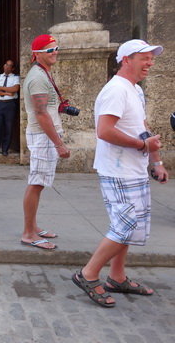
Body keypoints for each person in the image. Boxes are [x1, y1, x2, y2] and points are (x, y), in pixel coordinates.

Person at [72, 39, 168, 308]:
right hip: (118, 170)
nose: (150, 63)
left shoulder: (134, 90)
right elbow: (104, 131)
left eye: (151, 58)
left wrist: (155, 160)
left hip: (133, 168)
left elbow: (143, 127)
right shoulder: (116, 90)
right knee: (125, 226)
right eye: (144, 58)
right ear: (126, 59)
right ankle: (88, 274)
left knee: (129, 225)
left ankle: (117, 276)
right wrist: (142, 146)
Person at [21, 34, 70, 250]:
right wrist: (59, 144)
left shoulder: (42, 74)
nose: (55, 52)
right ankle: (29, 233)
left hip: (44, 135)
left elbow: (45, 108)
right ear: (37, 54)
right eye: (50, 50)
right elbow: (41, 114)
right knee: (36, 183)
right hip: (42, 136)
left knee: (38, 184)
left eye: (56, 48)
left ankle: (33, 226)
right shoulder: (38, 77)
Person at [0, 60, 19, 156]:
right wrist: (6, 92)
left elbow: (15, 89)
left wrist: (1, 87)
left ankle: (5, 149)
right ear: (4, 66)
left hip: (9, 104)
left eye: (10, 66)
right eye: (6, 65)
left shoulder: (16, 77)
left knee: (8, 127)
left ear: (12, 68)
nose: (7, 67)